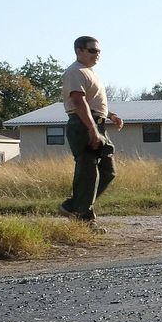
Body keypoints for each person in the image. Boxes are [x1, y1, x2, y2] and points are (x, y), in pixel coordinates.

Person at [59, 35, 123, 226]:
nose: (97, 54)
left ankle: (74, 206)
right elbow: (79, 102)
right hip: (83, 124)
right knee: (88, 172)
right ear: (79, 51)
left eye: (98, 51)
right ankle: (84, 218)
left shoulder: (89, 72)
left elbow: (93, 102)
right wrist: (92, 129)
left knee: (108, 171)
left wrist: (110, 115)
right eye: (93, 50)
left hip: (96, 123)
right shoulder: (75, 72)